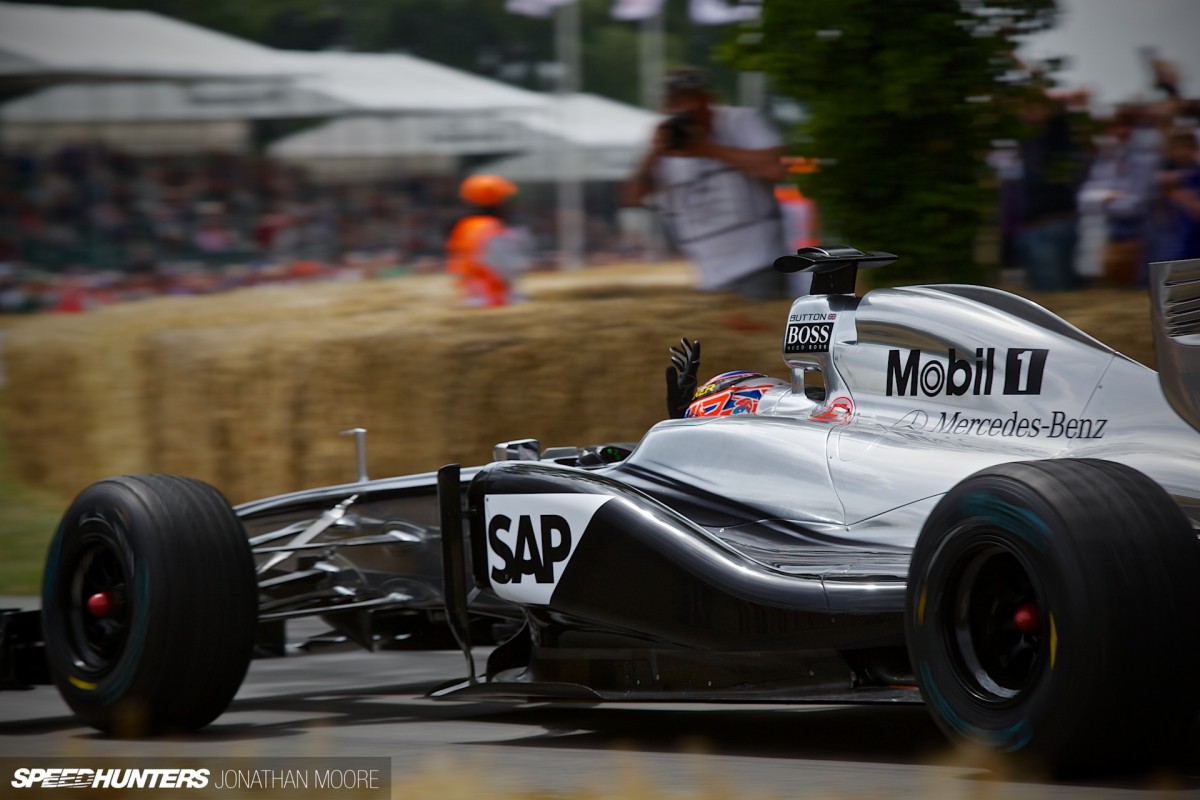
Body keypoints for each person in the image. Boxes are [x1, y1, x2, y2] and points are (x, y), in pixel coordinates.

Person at [623, 68, 803, 300]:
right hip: (709, 275)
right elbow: (630, 198)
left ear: (708, 99)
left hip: (760, 263)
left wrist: (708, 150)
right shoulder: (667, 142)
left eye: (690, 98)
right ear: (666, 109)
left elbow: (777, 167)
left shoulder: (740, 121)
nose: (685, 108)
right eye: (675, 102)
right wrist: (652, 156)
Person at [445, 174, 532, 307]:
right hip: (497, 301)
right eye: (505, 198)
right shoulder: (494, 230)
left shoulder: (464, 226)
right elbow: (509, 271)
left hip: (471, 299)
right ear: (496, 201)